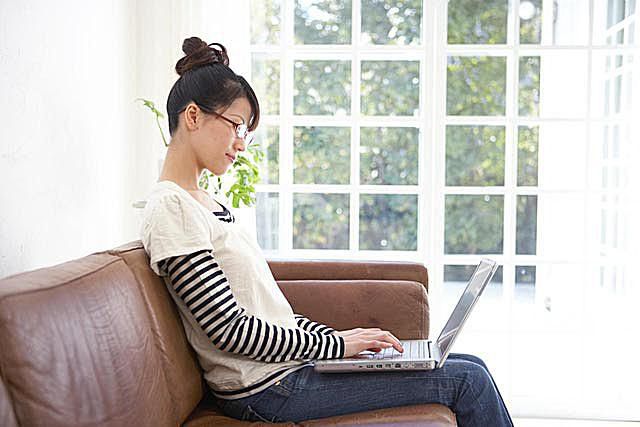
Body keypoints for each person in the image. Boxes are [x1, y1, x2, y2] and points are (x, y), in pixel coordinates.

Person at [140, 36, 513, 426]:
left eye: (245, 132)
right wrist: (335, 345)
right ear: (194, 116)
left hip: (284, 371)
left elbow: (270, 313)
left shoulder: (209, 204)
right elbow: (229, 330)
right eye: (236, 125)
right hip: (267, 390)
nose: (241, 144)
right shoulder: (171, 207)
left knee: (470, 363)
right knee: (469, 381)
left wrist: (340, 339)